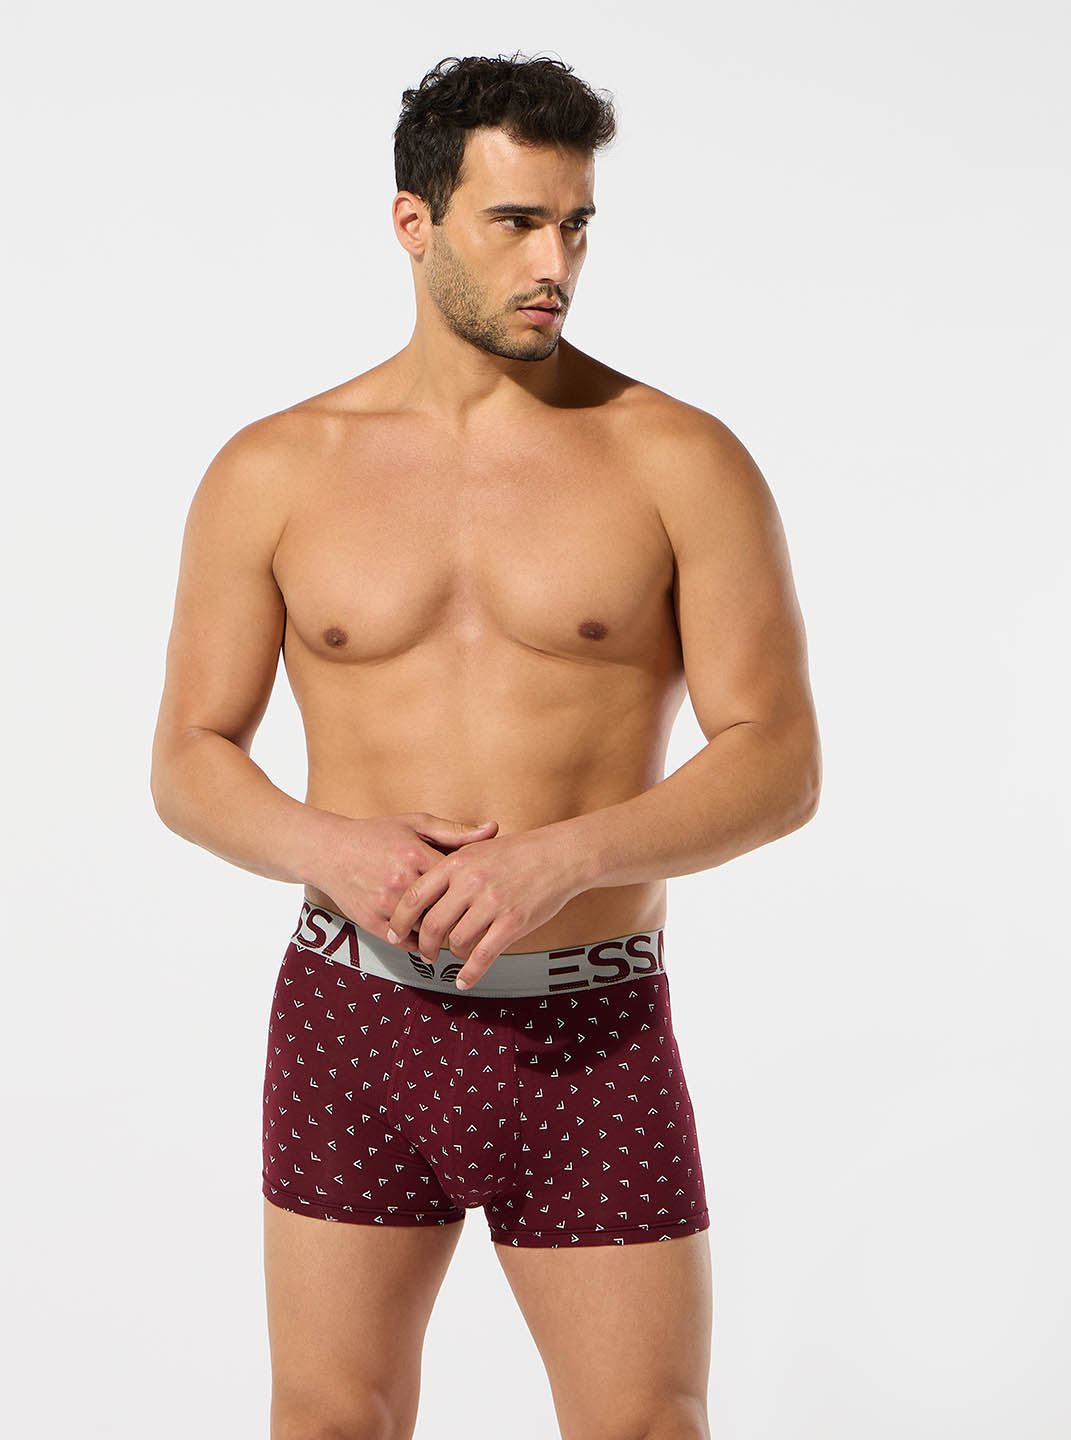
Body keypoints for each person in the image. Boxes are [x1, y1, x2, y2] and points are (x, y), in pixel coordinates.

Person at [150, 50, 821, 1440]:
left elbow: (778, 759)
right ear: (415, 222)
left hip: (591, 1024)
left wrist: (560, 861)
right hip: (355, 1017)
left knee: (646, 1425)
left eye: (576, 224)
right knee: (331, 1420)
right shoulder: (275, 469)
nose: (553, 263)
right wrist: (330, 847)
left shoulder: (677, 459)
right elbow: (191, 756)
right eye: (516, 222)